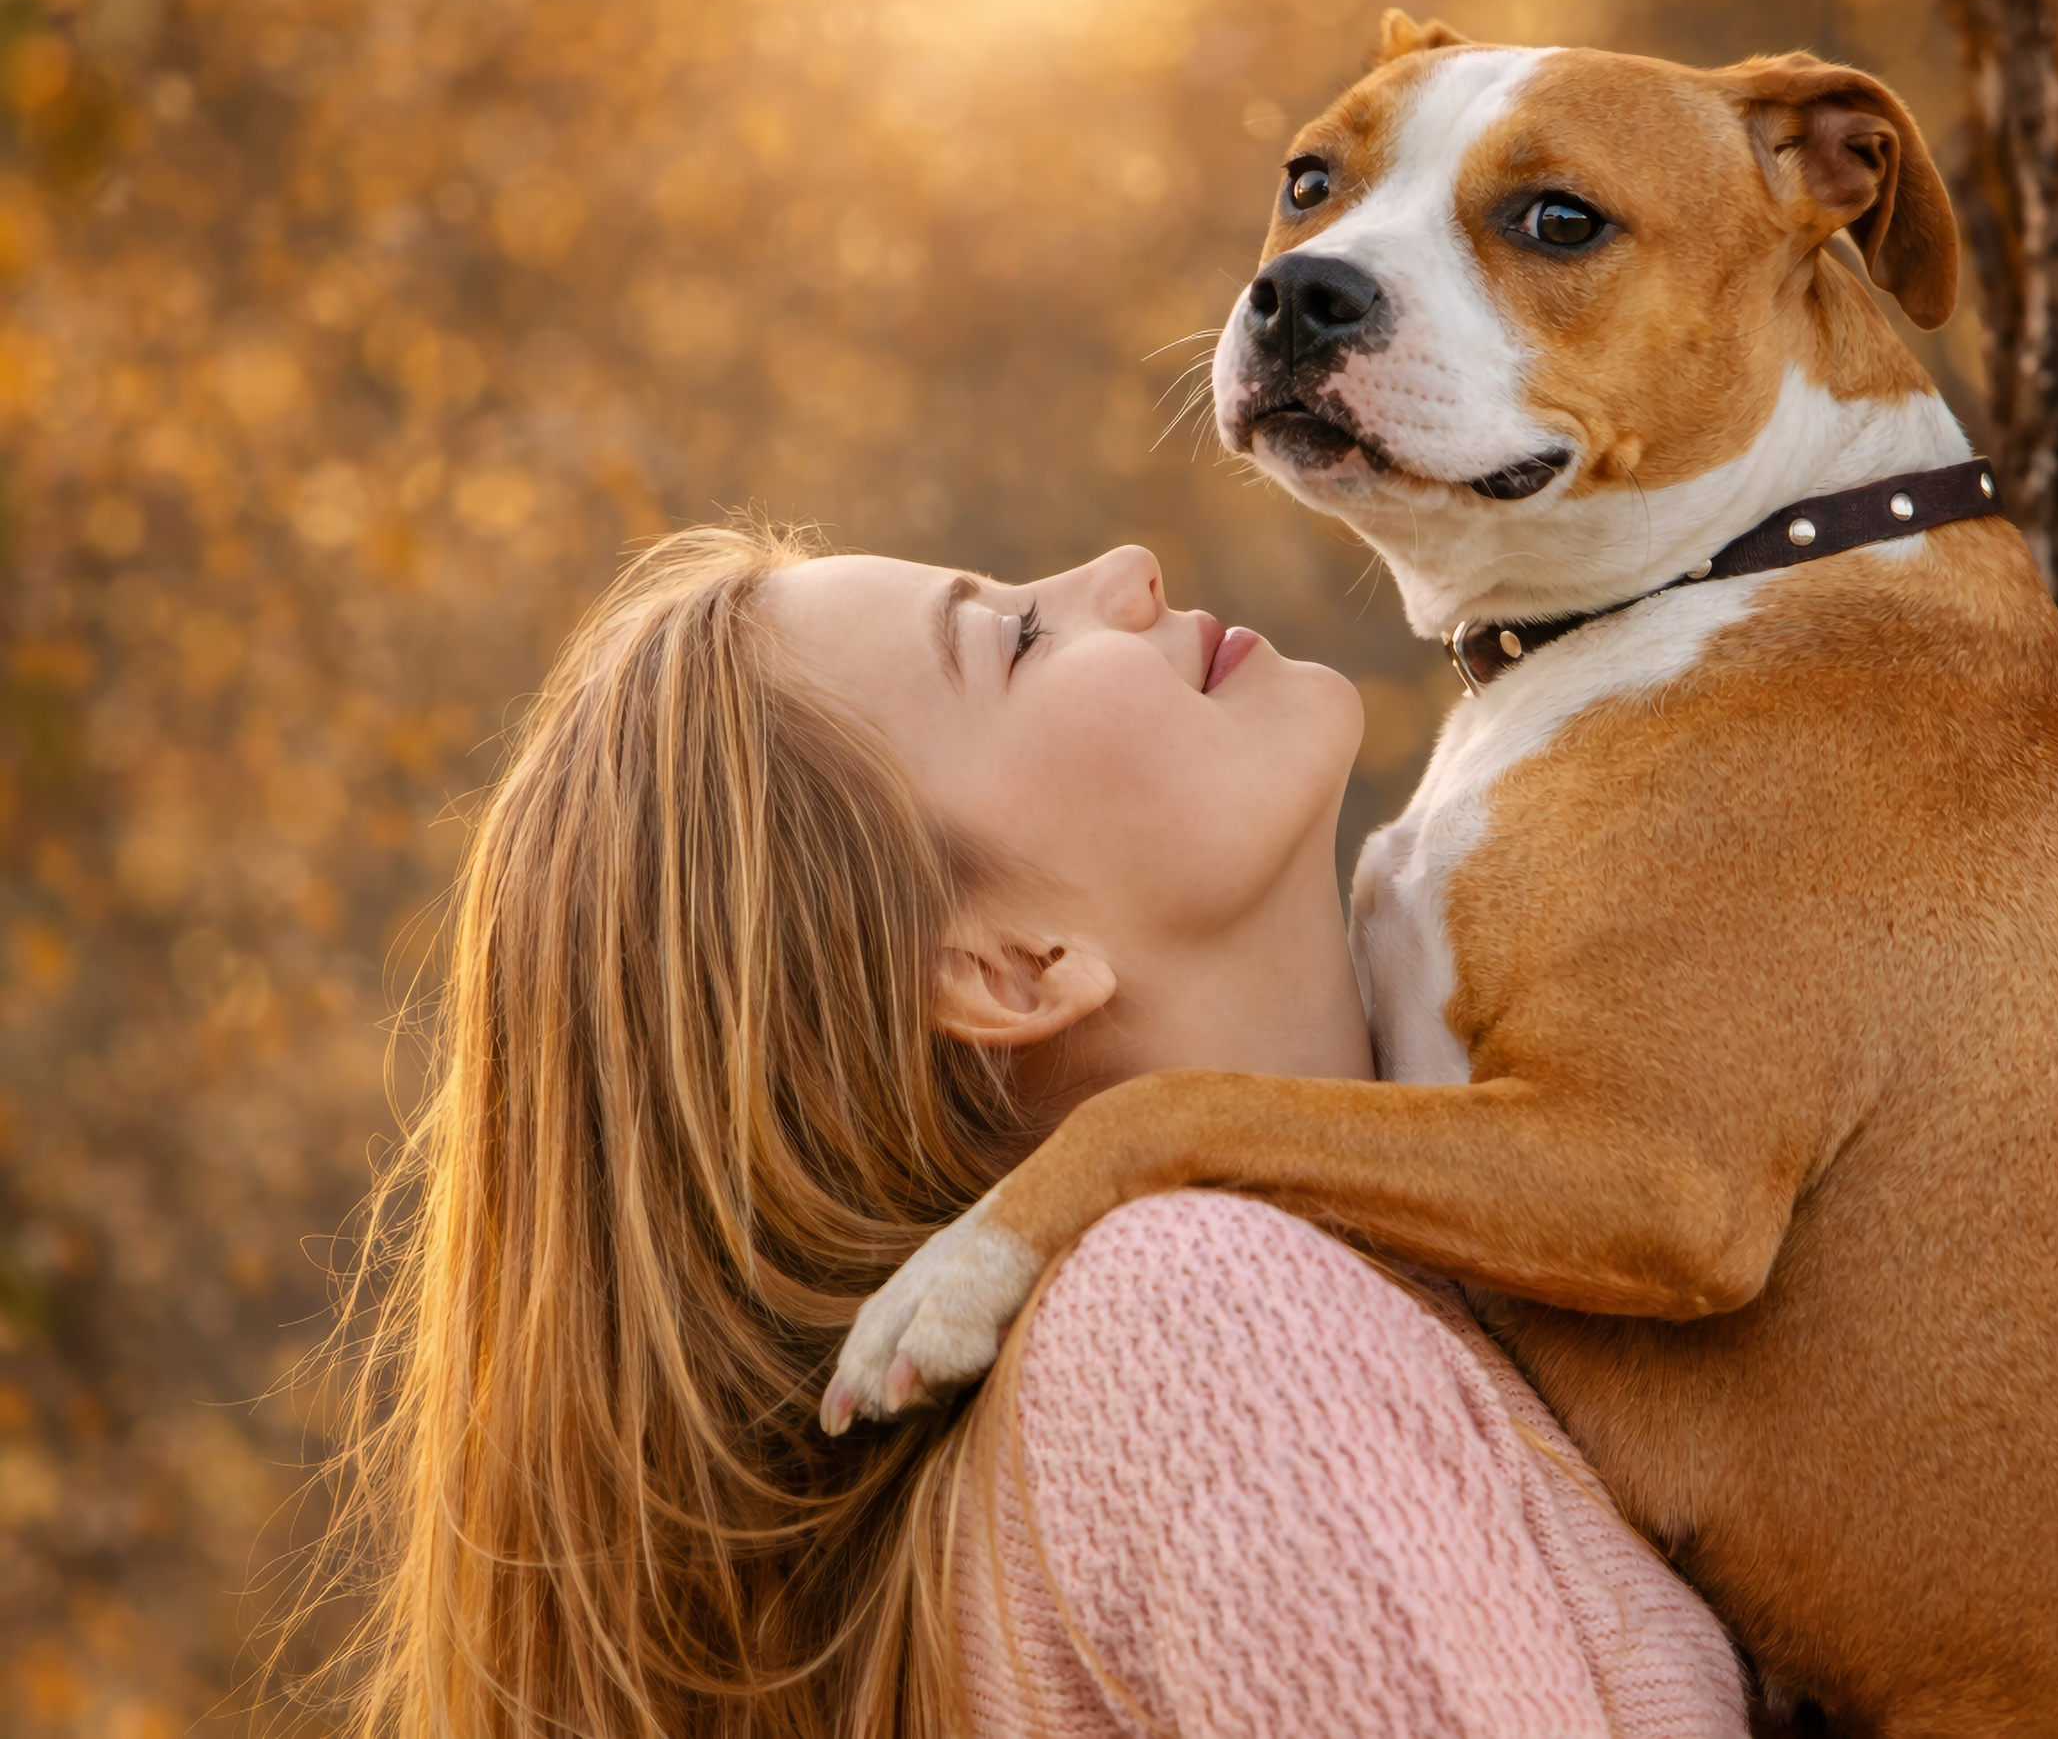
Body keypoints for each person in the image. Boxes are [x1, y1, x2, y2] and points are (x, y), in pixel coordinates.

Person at [296, 525, 1750, 1737]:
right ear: (1008, 969)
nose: (1126, 569)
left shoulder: (1224, 1356)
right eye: (1018, 643)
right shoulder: (1202, 1334)